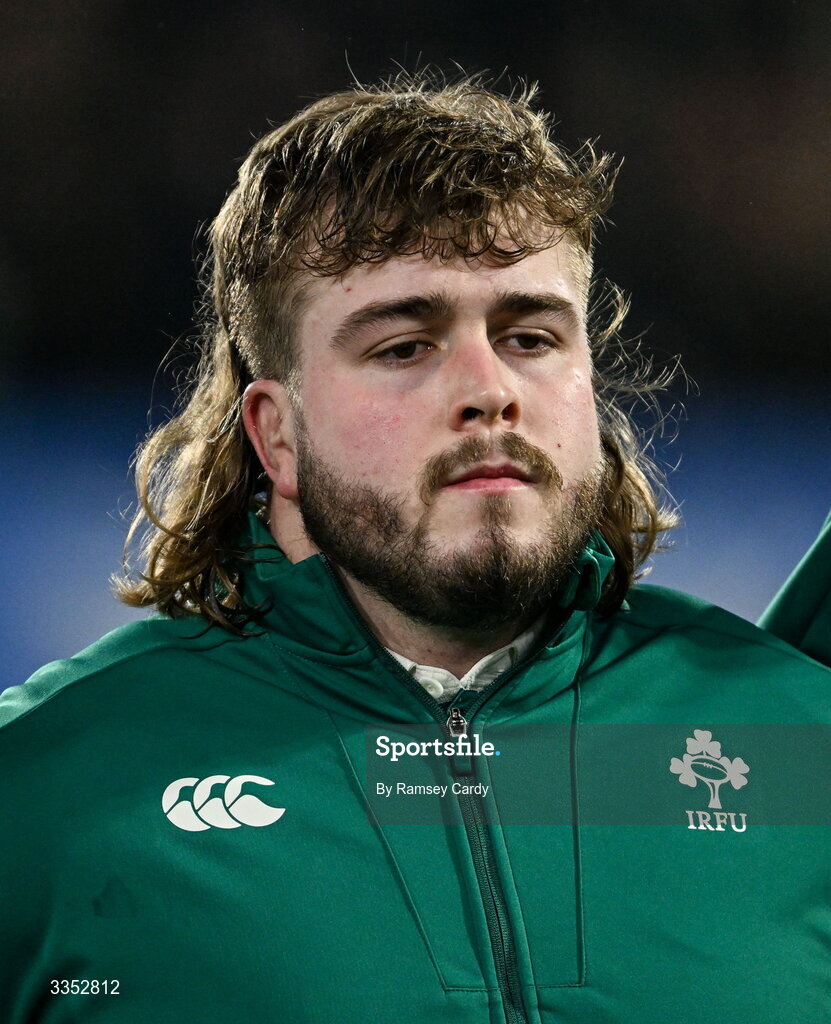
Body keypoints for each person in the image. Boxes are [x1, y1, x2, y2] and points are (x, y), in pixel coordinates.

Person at [1, 74, 829, 1024]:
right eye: (404, 345)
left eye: (528, 335)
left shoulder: (801, 739)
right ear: (277, 437)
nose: (489, 390)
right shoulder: (45, 789)